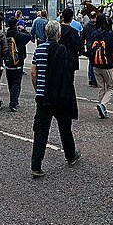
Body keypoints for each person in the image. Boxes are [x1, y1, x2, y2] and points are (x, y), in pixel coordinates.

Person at [30, 20, 80, 178]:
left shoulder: (38, 50)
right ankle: (71, 155)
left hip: (42, 97)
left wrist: (38, 89)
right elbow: (66, 74)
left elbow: (33, 72)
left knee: (40, 131)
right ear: (58, 34)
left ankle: (36, 165)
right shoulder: (61, 50)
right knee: (65, 127)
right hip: (58, 96)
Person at [89, 14, 113, 118]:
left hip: (95, 64)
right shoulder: (109, 34)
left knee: (101, 88)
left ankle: (102, 110)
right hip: (106, 64)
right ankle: (102, 105)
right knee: (111, 87)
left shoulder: (94, 34)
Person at [4, 16, 31, 112]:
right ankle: (13, 102)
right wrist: (23, 30)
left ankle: (13, 99)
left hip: (8, 63)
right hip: (18, 63)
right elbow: (29, 37)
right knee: (16, 83)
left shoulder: (5, 35)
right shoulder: (19, 35)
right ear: (16, 25)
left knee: (10, 82)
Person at [59, 7, 84, 74]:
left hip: (59, 58)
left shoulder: (57, 30)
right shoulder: (73, 32)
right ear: (71, 18)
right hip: (70, 58)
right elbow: (79, 46)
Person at [82, 11, 99, 87]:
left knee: (90, 63)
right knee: (96, 63)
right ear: (96, 17)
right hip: (97, 45)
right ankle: (95, 81)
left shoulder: (86, 26)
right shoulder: (98, 26)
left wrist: (82, 48)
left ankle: (90, 79)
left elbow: (82, 38)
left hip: (89, 45)